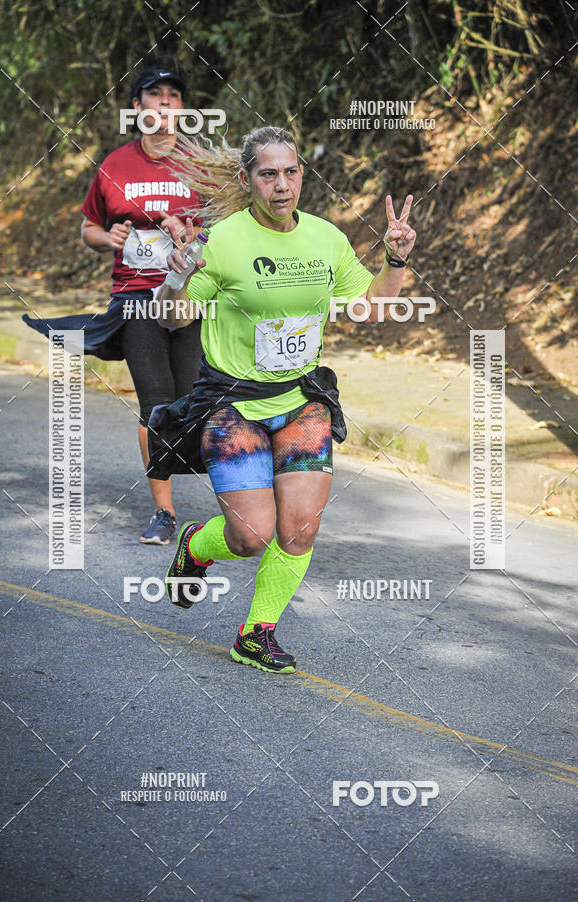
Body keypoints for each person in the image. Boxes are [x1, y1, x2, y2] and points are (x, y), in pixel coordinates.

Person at [149, 126, 416, 672]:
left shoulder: (325, 238)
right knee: (251, 536)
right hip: (232, 403)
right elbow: (171, 316)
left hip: (301, 399)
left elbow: (370, 308)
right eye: (268, 174)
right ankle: (198, 546)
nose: (281, 184)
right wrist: (176, 278)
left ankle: (255, 633)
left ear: (302, 176)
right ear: (248, 180)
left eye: (290, 172)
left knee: (299, 528)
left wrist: (394, 261)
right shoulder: (221, 241)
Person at [23, 55, 203, 544]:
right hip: (136, 299)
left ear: (182, 108)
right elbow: (89, 228)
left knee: (195, 401)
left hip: (189, 299)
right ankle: (165, 514)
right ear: (138, 106)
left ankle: (237, 506)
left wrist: (190, 234)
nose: (164, 104)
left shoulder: (201, 165)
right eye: (154, 96)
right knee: (157, 402)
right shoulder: (115, 165)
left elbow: (225, 226)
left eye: (174, 97)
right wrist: (112, 238)